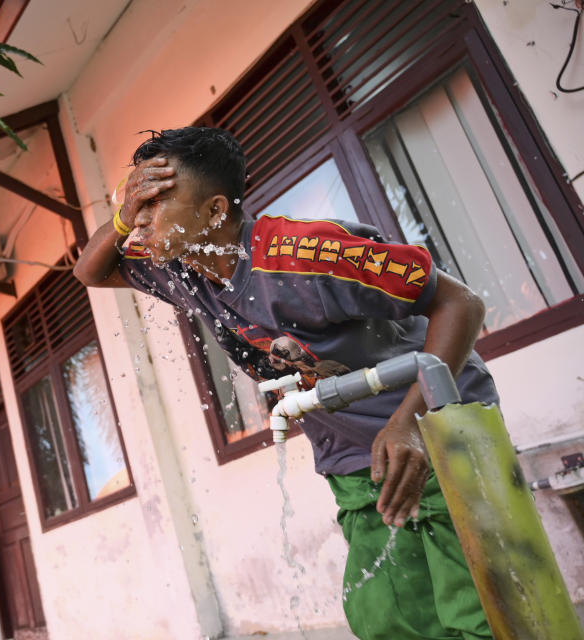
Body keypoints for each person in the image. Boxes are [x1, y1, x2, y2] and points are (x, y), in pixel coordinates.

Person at [74, 127, 497, 639]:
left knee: (482, 617)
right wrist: (122, 214)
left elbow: (462, 304)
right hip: (354, 457)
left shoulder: (306, 253)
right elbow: (91, 271)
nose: (139, 220)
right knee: (387, 621)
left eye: (155, 201)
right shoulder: (180, 269)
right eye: (133, 202)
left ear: (213, 212)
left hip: (438, 433)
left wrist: (411, 424)